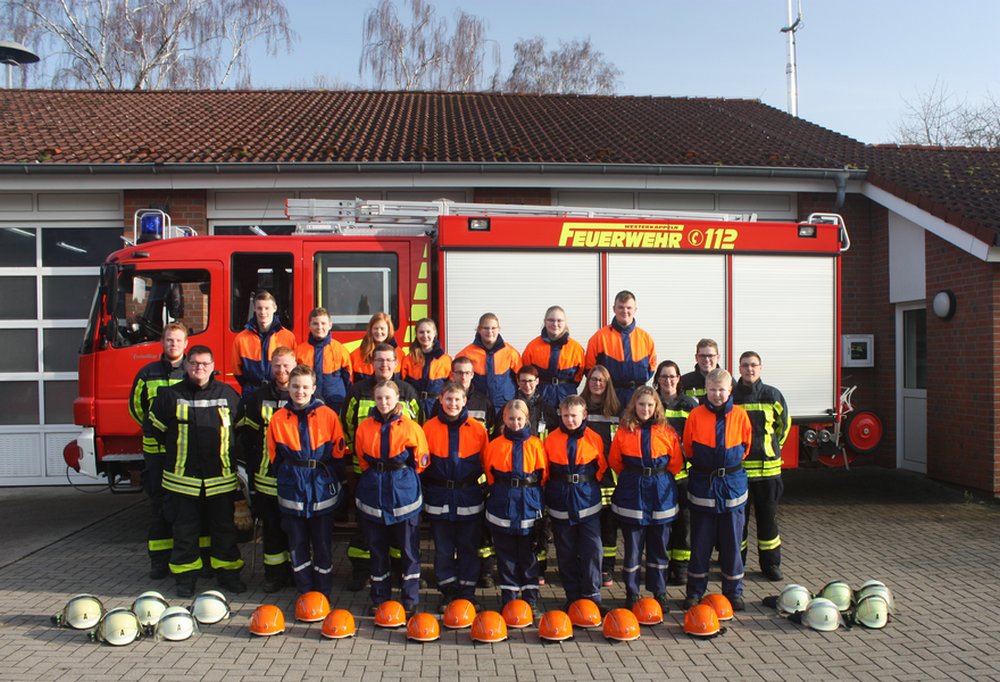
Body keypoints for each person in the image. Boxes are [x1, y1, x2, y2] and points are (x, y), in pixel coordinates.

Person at [146, 345, 244, 598]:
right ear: (187, 365)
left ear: (212, 367)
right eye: (194, 363)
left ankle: (228, 575)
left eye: (204, 364)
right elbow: (154, 430)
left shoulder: (228, 394)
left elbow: (241, 432)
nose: (199, 368)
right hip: (181, 480)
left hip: (220, 480)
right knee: (185, 533)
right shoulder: (169, 396)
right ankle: (185, 579)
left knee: (224, 531)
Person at [341, 343, 421, 590]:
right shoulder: (356, 390)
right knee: (365, 526)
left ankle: (398, 572)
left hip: (400, 476)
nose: (384, 365)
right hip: (365, 472)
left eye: (389, 360)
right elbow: (348, 428)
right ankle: (362, 570)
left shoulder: (408, 392)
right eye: (379, 360)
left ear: (396, 363)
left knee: (399, 526)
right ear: (371, 363)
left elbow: (419, 431)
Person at [267, 364, 347, 595]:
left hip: (321, 487)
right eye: (295, 386)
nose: (299, 391)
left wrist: (334, 482)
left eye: (304, 387)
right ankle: (304, 590)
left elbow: (338, 453)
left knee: (322, 545)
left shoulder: (328, 415)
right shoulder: (279, 418)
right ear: (288, 388)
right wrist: (287, 475)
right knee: (297, 544)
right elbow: (275, 456)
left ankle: (323, 592)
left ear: (313, 388)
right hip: (293, 487)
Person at [354, 380, 429, 614]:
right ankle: (379, 599)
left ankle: (410, 600)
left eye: (388, 398)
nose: (384, 402)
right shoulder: (364, 427)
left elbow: (421, 461)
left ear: (397, 399)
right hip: (374, 494)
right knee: (377, 552)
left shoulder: (412, 427)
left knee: (408, 552)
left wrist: (401, 479)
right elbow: (362, 458)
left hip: (403, 496)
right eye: (379, 398)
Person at [682, 368, 752, 611]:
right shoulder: (695, 415)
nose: (717, 394)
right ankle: (694, 592)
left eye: (722, 390)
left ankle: (733, 593)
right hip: (703, 484)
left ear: (730, 389)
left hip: (732, 486)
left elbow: (745, 447)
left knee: (732, 545)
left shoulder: (741, 416)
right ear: (706, 390)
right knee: (700, 545)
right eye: (712, 390)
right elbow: (688, 448)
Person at [608, 386, 682, 611]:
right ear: (634, 405)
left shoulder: (667, 432)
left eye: (650, 405)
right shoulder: (623, 430)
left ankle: (659, 592)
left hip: (660, 491)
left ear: (657, 406)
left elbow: (676, 464)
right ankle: (632, 592)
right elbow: (615, 461)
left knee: (659, 546)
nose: (646, 409)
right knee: (633, 548)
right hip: (633, 489)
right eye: (641, 404)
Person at [421, 382, 490, 610]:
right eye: (448, 399)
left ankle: (467, 593)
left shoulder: (477, 429)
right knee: (443, 548)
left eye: (457, 400)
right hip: (439, 495)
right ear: (440, 399)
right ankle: (448, 592)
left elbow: (486, 464)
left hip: (468, 495)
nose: (453, 404)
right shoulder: (428, 428)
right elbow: (421, 464)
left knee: (468, 547)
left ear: (465, 401)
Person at [129, 321, 188, 580]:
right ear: (162, 343)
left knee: (189, 509)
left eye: (177, 340)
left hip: (185, 452)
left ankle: (192, 560)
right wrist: (153, 429)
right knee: (159, 507)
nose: (173, 344)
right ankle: (159, 562)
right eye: (169, 340)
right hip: (156, 452)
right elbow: (136, 408)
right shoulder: (147, 373)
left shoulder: (192, 371)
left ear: (186, 344)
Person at [235, 346, 295, 592]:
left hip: (295, 482)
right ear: (271, 367)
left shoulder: (303, 394)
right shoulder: (256, 398)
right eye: (277, 365)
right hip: (266, 478)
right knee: (271, 532)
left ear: (295, 365)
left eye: (287, 366)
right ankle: (275, 576)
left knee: (296, 532)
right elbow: (246, 441)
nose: (282, 371)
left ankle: (296, 573)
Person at [544, 395, 608, 611]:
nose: (570, 420)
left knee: (592, 549)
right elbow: (545, 470)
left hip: (587, 500)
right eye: (566, 415)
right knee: (566, 550)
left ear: (584, 415)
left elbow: (601, 467)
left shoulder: (594, 438)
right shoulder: (551, 439)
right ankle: (572, 596)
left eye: (574, 415)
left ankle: (592, 596)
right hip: (560, 500)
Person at [483, 399, 547, 607]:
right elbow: (489, 475)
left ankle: (530, 598)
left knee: (528, 555)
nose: (515, 423)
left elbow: (543, 475)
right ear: (504, 419)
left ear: (527, 419)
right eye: (511, 418)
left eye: (519, 419)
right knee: (506, 555)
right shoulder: (495, 445)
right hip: (503, 503)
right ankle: (509, 599)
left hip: (529, 504)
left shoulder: (536, 445)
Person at [732, 351, 790, 582]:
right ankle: (738, 563)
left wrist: (770, 449)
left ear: (761, 367)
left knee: (768, 521)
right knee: (739, 523)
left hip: (768, 472)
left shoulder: (772, 395)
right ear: (739, 368)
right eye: (745, 365)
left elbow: (783, 428)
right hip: (741, 472)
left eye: (754, 365)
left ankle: (771, 565)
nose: (750, 370)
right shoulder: (733, 397)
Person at [445, 355, 498, 588]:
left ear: (473, 375)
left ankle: (485, 569)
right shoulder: (445, 400)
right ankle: (457, 572)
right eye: (459, 372)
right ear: (452, 374)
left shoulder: (483, 402)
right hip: (452, 476)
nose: (463, 376)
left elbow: (492, 438)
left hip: (478, 476)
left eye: (467, 373)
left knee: (481, 529)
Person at [654, 359, 699, 587]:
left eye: (672, 376)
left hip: (683, 475)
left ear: (678, 378)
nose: (668, 380)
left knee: (683, 523)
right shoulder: (652, 404)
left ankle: (680, 567)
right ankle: (660, 566)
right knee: (661, 524)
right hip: (659, 477)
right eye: (663, 376)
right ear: (657, 379)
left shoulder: (690, 405)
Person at [580, 365, 622, 587]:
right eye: (594, 380)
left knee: (608, 527)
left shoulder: (617, 411)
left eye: (602, 380)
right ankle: (587, 564)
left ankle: (607, 568)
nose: (597, 384)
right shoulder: (580, 407)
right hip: (586, 476)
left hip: (609, 478)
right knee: (587, 525)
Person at [585, 290, 656, 406]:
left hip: (637, 397)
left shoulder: (646, 339)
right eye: (621, 307)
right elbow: (589, 370)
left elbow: (651, 368)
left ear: (635, 310)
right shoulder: (599, 338)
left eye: (629, 308)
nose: (625, 311)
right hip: (609, 397)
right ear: (614, 309)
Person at [232, 290, 296, 398]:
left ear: (274, 308)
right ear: (255, 309)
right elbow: (236, 370)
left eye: (267, 308)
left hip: (280, 391)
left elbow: (294, 366)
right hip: (252, 392)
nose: (263, 312)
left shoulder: (288, 337)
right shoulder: (241, 338)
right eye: (259, 308)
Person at [521, 306, 585, 413]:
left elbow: (579, 375)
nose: (555, 324)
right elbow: (526, 372)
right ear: (545, 322)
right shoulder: (532, 347)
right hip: (540, 395)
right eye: (551, 320)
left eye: (559, 320)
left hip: (566, 394)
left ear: (565, 322)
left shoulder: (576, 348)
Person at [458, 313, 522, 417]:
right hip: (478, 406)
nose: (490, 331)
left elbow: (521, 378)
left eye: (493, 328)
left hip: (505, 405)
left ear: (499, 329)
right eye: (486, 328)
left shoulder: (510, 352)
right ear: (479, 329)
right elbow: (456, 382)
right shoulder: (466, 354)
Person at [295, 307, 352, 414]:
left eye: (323, 323)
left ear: (330, 325)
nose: (319, 327)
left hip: (336, 404)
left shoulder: (340, 350)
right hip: (308, 404)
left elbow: (349, 381)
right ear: (309, 326)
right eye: (315, 323)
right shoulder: (299, 351)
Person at [401, 317, 452, 419]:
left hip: (437, 406)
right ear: (416, 334)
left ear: (435, 333)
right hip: (413, 405)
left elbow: (451, 386)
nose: (425, 335)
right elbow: (402, 385)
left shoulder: (445, 359)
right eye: (421, 332)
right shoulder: (409, 359)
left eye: (428, 332)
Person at [350, 312, 404, 383]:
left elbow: (403, 383)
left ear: (389, 330)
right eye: (376, 328)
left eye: (382, 328)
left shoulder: (400, 355)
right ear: (370, 330)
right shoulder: (356, 355)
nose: (379, 332)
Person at [681, 338, 735, 402]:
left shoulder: (728, 380)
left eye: (710, 355)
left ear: (718, 357)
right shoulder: (684, 381)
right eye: (702, 356)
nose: (706, 359)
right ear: (696, 357)